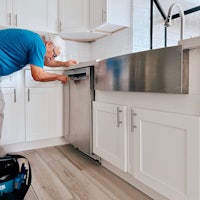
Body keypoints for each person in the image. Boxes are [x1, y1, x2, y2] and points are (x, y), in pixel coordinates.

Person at [0, 28, 77, 138]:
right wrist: (59, 77)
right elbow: (38, 75)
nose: (52, 58)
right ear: (49, 44)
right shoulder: (37, 44)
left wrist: (64, 64)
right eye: (54, 55)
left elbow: (45, 61)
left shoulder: (36, 41)